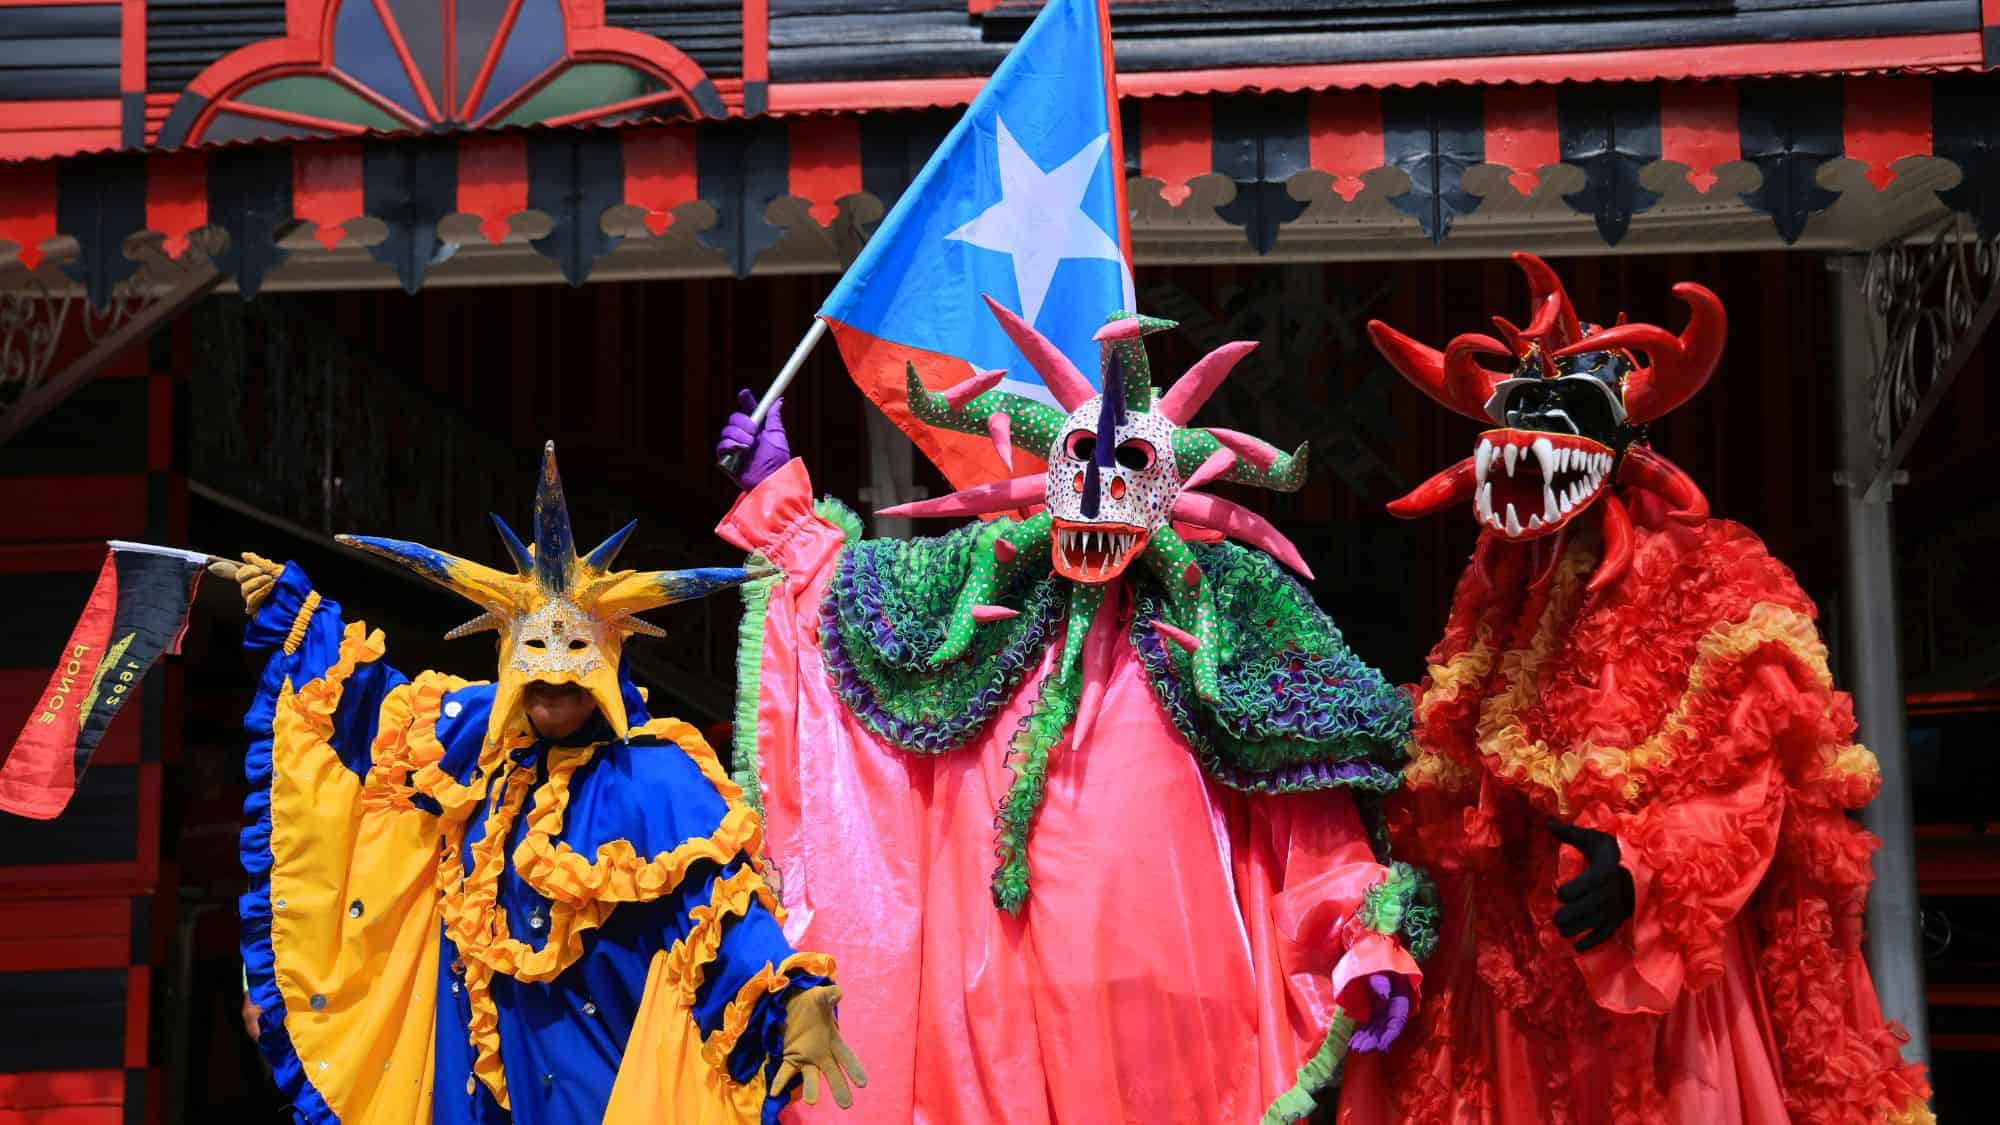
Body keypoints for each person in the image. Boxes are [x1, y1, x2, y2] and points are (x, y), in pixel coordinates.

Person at [715, 303, 1431, 1124]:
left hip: (1166, 1019)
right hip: (990, 1009)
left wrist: (1361, 932)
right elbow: (842, 604)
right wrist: (775, 502)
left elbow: (1307, 801)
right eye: (1079, 457)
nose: (1098, 485)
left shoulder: (1227, 621)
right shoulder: (980, 590)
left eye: (1125, 463)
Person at [1345, 253, 1934, 1123]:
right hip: (1520, 966)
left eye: (1569, 410)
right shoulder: (1499, 593)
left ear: (1630, 447)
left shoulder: (1712, 577)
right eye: (1513, 411)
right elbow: (1457, 787)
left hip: (1662, 973)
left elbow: (1751, 782)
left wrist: (1649, 869)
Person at [217, 443, 864, 1124]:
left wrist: (788, 995)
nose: (555, 673)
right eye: (537, 654)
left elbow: (722, 910)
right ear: (507, 655)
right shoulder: (472, 744)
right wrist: (298, 616)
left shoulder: (655, 780)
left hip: (601, 1090)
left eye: (576, 653)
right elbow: (365, 711)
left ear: (608, 660)